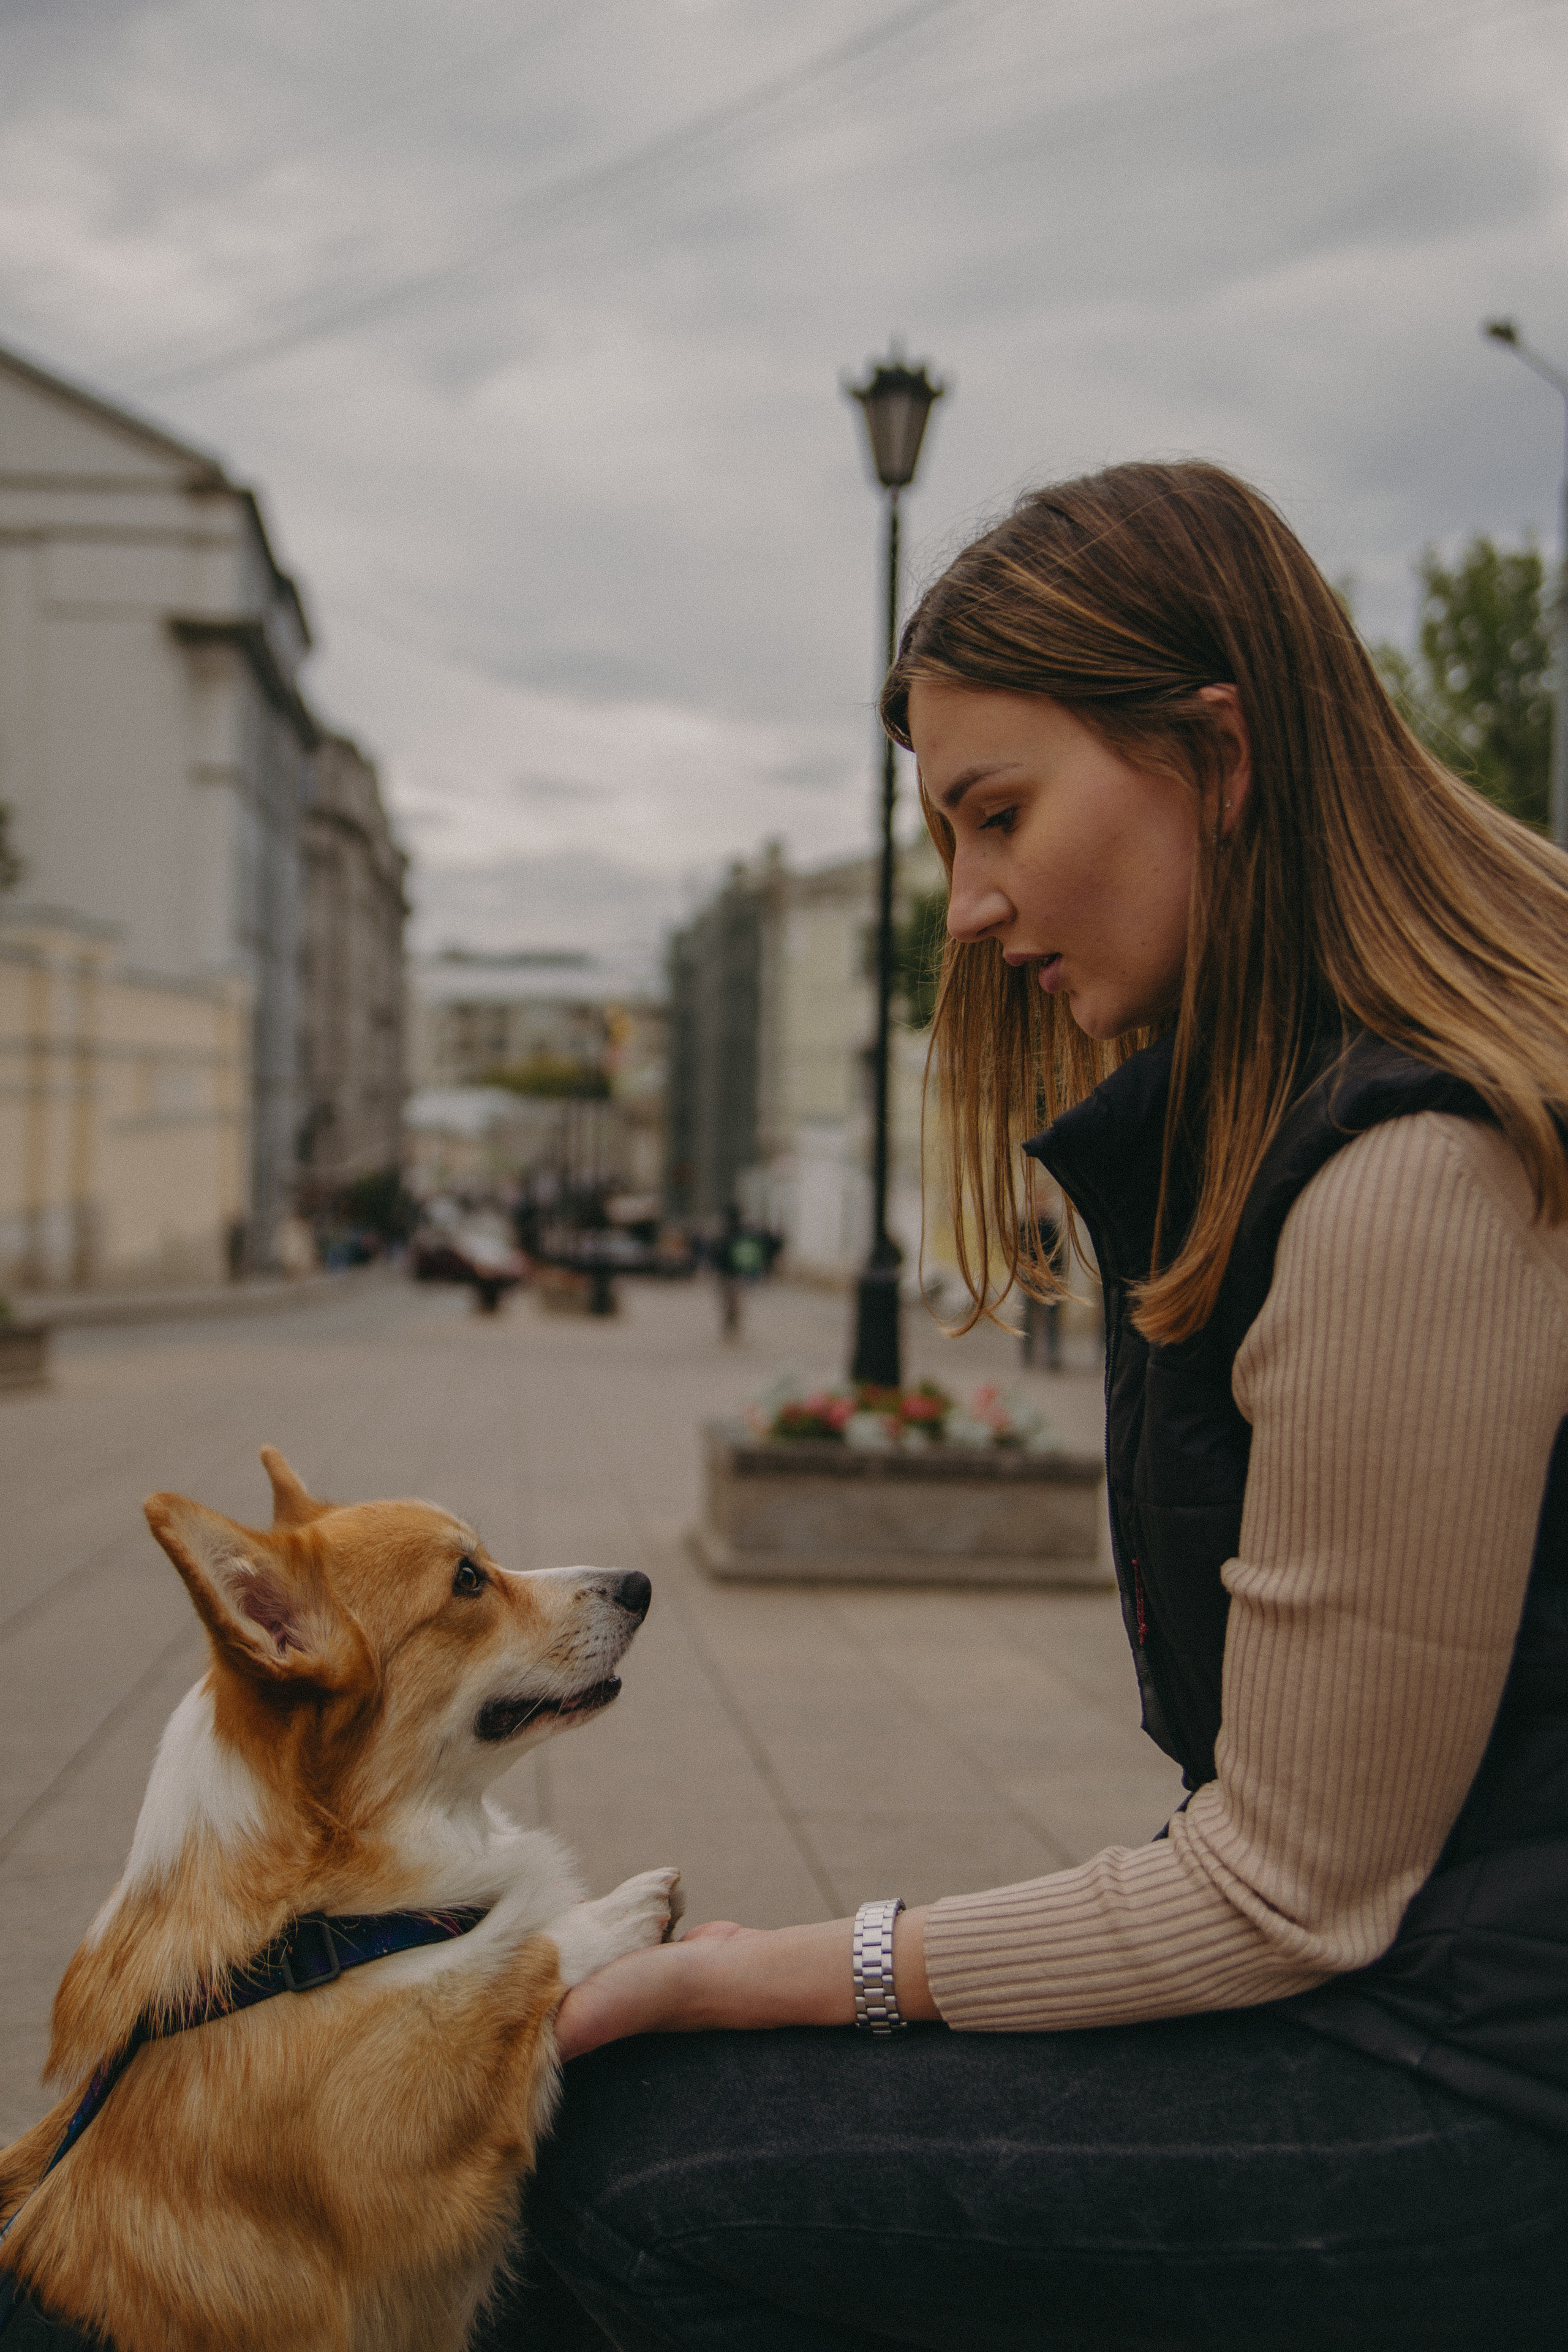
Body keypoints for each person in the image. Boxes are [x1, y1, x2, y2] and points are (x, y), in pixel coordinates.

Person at [485, 458, 1568, 2350]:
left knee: (639, 2177)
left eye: (998, 818)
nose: (971, 911)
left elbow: (1287, 1896)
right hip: (1426, 2015)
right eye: (945, 844)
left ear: (1219, 757)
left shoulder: (1417, 1173)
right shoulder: (1299, 1121)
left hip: (1485, 2100)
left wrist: (785, 1975)